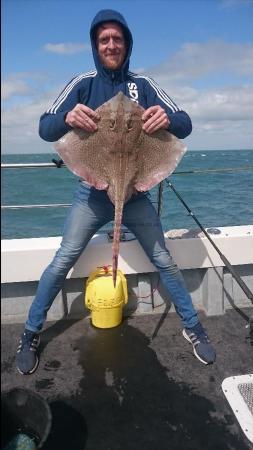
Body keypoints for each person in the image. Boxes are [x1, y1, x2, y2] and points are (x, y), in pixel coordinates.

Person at [16, 9, 216, 375]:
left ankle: (193, 327)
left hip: (136, 193)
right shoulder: (83, 82)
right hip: (92, 192)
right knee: (64, 259)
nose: (111, 45)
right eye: (104, 40)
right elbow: (46, 127)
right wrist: (67, 118)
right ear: (96, 45)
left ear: (127, 44)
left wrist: (168, 119)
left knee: (165, 260)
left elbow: (184, 123)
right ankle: (30, 332)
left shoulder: (145, 83)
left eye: (117, 39)